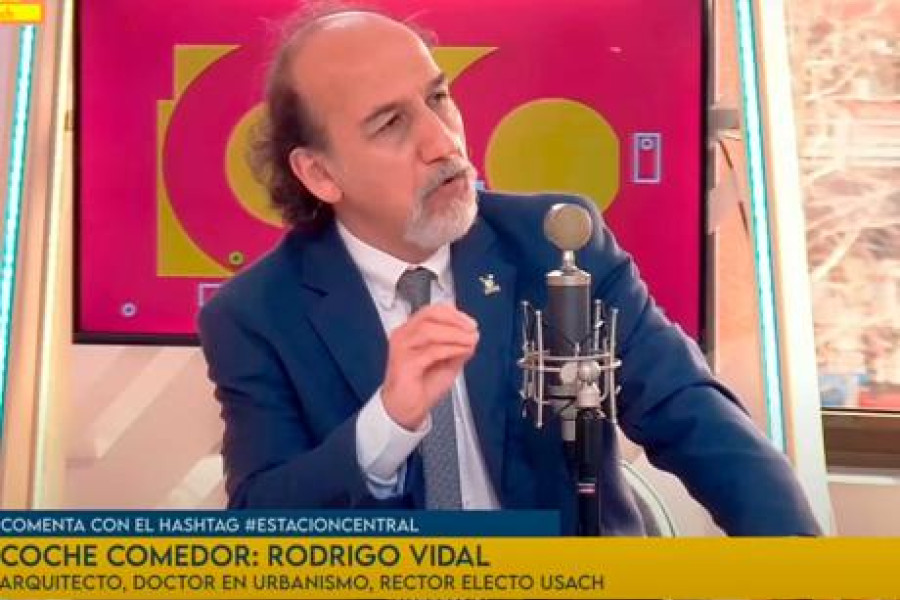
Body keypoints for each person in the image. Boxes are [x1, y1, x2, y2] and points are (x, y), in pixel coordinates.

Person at [197, 4, 821, 536]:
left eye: (438, 97)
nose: (443, 142)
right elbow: (261, 523)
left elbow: (692, 414)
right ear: (320, 173)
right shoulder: (255, 316)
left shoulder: (556, 245)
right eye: (390, 124)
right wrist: (387, 423)